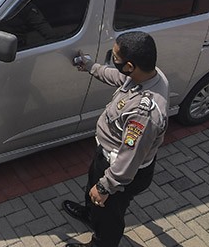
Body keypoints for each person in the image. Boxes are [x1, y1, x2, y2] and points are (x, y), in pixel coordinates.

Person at [62, 31, 169, 247]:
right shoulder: (149, 74)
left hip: (120, 171)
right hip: (106, 157)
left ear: (130, 66)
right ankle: (90, 214)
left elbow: (129, 159)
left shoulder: (144, 114)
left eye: (116, 58)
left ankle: (101, 242)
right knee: (92, 190)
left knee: (109, 215)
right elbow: (119, 78)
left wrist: (105, 187)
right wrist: (92, 68)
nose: (113, 59)